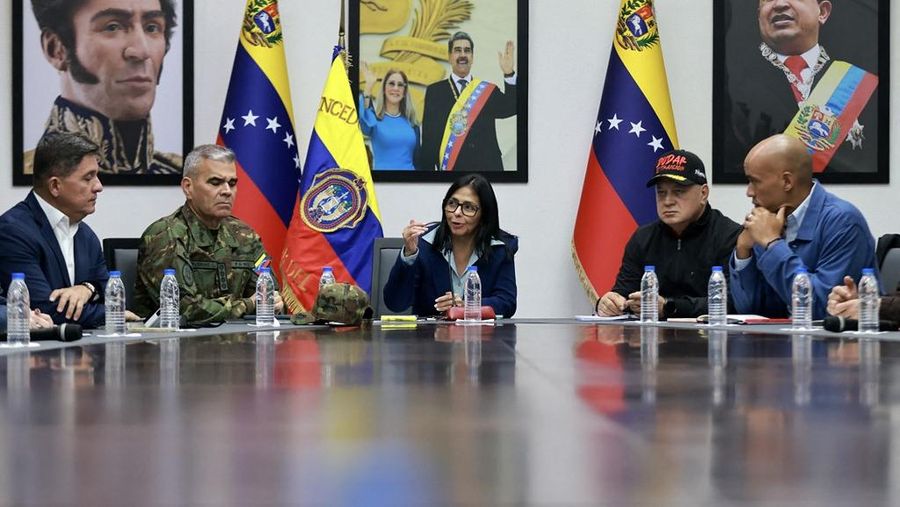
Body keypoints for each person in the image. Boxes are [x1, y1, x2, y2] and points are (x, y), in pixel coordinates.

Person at [722, 0, 877, 177]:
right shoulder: (735, 83)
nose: (779, 4)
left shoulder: (858, 82)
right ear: (759, 16)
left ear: (823, 12)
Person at [25, 0, 182, 175]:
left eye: (152, 28)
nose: (142, 51)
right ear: (56, 49)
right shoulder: (33, 174)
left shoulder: (181, 171)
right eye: (112, 27)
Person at [132, 144, 284, 324]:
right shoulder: (166, 235)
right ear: (188, 187)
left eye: (232, 183)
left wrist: (274, 302)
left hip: (238, 343)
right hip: (172, 345)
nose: (227, 191)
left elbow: (269, 293)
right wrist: (247, 305)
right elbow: (185, 307)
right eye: (215, 182)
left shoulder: (245, 236)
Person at [730, 134, 877, 319]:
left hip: (837, 345)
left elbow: (824, 310)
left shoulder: (843, 222)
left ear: (787, 182)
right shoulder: (769, 218)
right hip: (779, 342)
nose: (749, 192)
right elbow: (750, 310)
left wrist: (773, 244)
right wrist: (743, 251)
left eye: (755, 181)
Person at [595, 150, 742, 319]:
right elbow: (624, 293)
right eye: (661, 192)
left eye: (678, 192)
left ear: (703, 194)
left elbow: (732, 302)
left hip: (712, 340)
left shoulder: (730, 235)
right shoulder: (643, 238)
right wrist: (608, 303)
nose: (667, 201)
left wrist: (669, 307)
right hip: (652, 340)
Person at [0, 132, 110, 328]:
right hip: (34, 354)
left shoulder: (85, 235)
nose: (99, 187)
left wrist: (86, 288)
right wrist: (110, 314)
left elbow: (111, 292)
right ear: (55, 186)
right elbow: (45, 310)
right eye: (88, 178)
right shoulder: (13, 231)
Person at [384, 173, 517, 317]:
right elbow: (395, 304)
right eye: (452, 204)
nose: (457, 213)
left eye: (468, 207)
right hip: (428, 337)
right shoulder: (424, 243)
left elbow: (507, 303)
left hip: (482, 337)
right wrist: (409, 255)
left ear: (484, 214)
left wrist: (467, 306)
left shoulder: (500, 248)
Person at [418, 32, 518, 172]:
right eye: (457, 50)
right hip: (452, 170)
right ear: (450, 57)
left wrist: (509, 73)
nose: (463, 55)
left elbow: (512, 106)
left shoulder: (487, 90)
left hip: (487, 169)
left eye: (467, 50)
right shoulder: (435, 92)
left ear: (472, 57)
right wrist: (427, 177)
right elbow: (429, 138)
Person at [359, 63, 420, 170]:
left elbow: (418, 159)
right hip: (383, 183)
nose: (396, 88)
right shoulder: (374, 120)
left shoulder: (412, 123)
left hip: (410, 183)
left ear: (404, 92)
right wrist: (368, 86)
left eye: (400, 85)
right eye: (391, 84)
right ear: (384, 89)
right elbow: (364, 123)